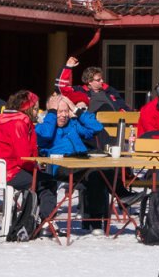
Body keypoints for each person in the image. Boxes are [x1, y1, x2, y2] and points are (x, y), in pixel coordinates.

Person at [35, 93, 108, 231]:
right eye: (59, 112)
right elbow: (44, 136)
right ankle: (123, 195)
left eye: (65, 111)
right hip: (59, 168)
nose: (63, 115)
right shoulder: (43, 128)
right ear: (51, 111)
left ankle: (94, 222)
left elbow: (97, 128)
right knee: (95, 173)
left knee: (98, 175)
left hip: (81, 165)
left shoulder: (73, 124)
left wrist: (76, 110)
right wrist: (52, 117)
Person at [0, 90, 53, 227]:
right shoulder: (18, 124)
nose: (37, 112)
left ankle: (34, 219)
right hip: (7, 172)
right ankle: (46, 222)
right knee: (47, 182)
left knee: (39, 179)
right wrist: (36, 167)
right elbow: (24, 157)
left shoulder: (8, 120)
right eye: (35, 108)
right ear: (27, 109)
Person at [55, 57, 129, 113]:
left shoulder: (109, 90)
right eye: (98, 80)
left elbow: (123, 107)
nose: (102, 81)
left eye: (101, 78)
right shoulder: (80, 91)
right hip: (92, 123)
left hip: (113, 122)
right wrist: (68, 67)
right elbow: (61, 88)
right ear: (89, 81)